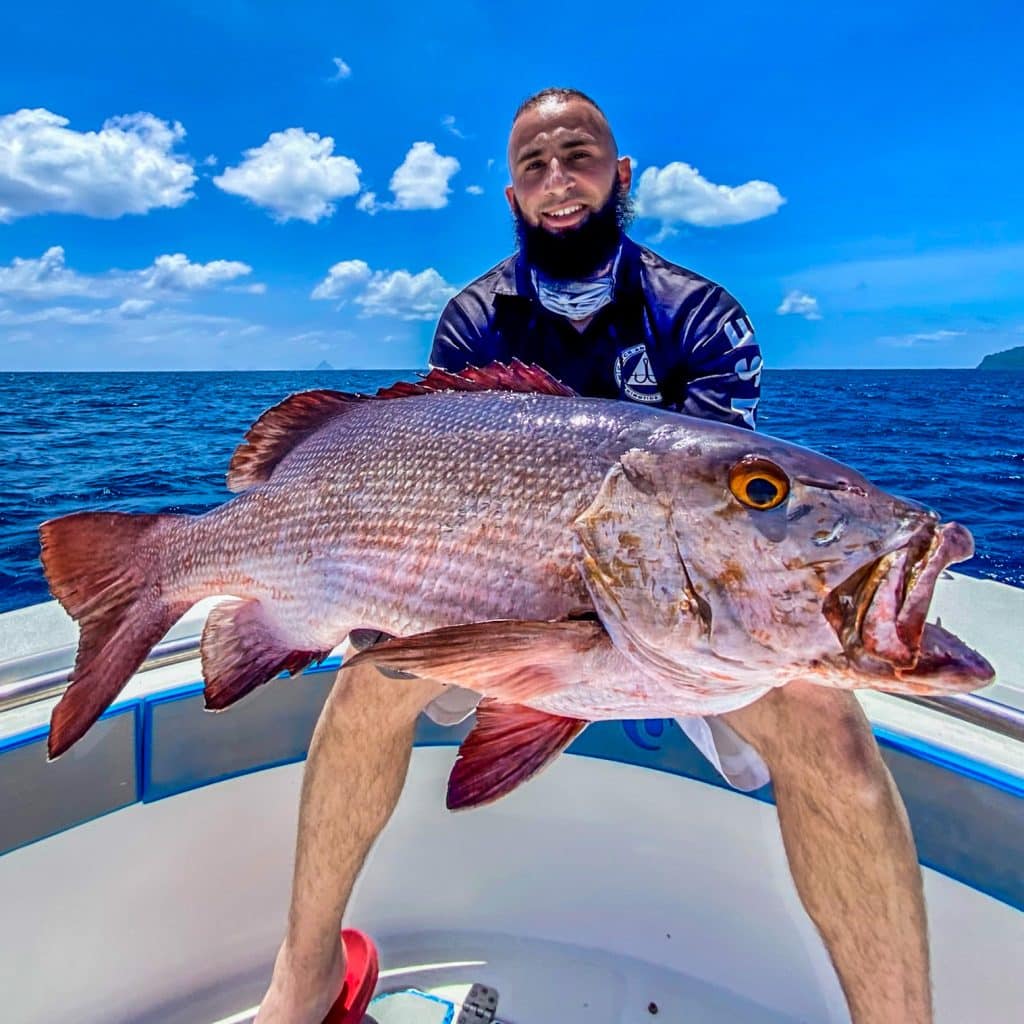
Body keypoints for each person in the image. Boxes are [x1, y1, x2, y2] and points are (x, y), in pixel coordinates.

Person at [256, 89, 932, 1024]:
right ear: (512, 197)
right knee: (368, 685)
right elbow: (436, 482)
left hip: (676, 619)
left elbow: (708, 528)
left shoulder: (699, 317)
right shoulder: (474, 319)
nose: (557, 183)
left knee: (834, 733)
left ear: (621, 177)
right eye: (533, 167)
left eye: (577, 158)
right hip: (502, 604)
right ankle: (304, 980)